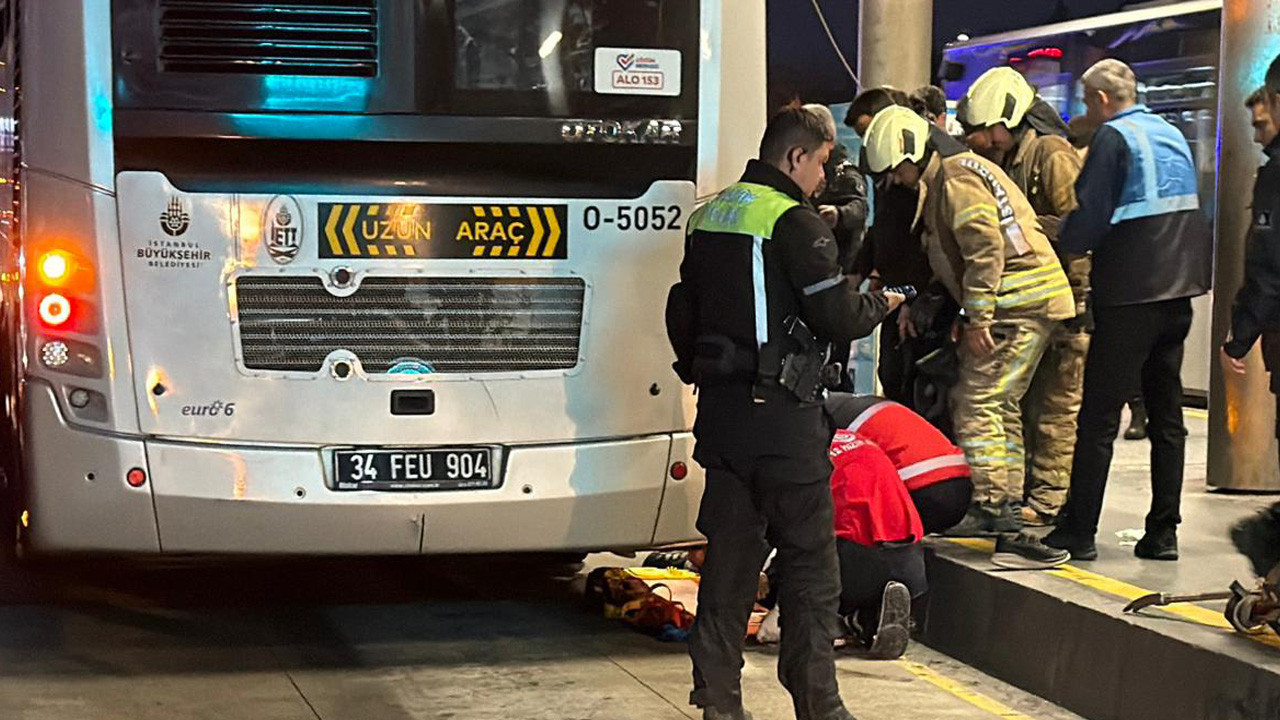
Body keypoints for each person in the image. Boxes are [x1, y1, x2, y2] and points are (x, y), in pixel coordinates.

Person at [666, 106, 903, 720]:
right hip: (784, 422)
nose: (823, 178)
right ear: (795, 156)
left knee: (729, 564)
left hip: (722, 419)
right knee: (811, 568)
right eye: (821, 162)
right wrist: (882, 303)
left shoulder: (709, 214)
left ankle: (718, 699)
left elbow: (685, 310)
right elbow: (838, 316)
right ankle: (818, 701)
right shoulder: (794, 222)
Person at [861, 105, 1076, 541]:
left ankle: (993, 504)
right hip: (1028, 300)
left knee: (978, 401)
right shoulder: (957, 172)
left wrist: (978, 317)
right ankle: (1005, 501)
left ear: (912, 153)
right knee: (999, 402)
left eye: (897, 170)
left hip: (1017, 302)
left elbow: (984, 251)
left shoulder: (955, 178)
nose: (897, 180)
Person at [1045, 59, 1213, 562]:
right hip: (1179, 294)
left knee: (1098, 416)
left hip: (1129, 294)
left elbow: (1091, 215)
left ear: (1101, 99)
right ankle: (1163, 533)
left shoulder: (1113, 138)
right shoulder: (1169, 133)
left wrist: (1061, 238)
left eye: (1086, 101)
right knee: (1167, 416)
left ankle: (1078, 531)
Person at [957, 67, 1088, 528]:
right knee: (1023, 407)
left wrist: (1030, 229)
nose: (978, 139)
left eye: (984, 129)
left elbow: (1081, 229)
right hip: (1035, 306)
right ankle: (1025, 496)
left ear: (1007, 121)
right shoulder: (1013, 159)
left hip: (1066, 304)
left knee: (1055, 407)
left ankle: (1048, 499)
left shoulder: (1050, 155)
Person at [846, 89, 956, 423]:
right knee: (892, 376)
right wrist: (863, 271)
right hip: (895, 294)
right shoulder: (887, 169)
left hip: (923, 298)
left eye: (869, 130)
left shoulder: (929, 174)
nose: (869, 141)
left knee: (920, 388)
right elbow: (881, 228)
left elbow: (923, 244)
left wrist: (913, 297)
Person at [1224, 69, 1280, 453]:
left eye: (1262, 125)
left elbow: (1268, 264)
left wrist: (1238, 340)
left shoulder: (1276, 173)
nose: (1257, 137)